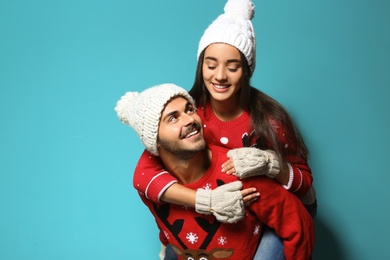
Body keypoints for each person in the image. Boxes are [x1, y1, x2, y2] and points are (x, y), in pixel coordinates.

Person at [132, 0, 317, 259]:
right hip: (222, 211)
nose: (220, 76)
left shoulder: (269, 120)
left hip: (278, 209)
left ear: (246, 70)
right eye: (211, 65)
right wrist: (205, 202)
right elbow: (145, 172)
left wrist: (270, 164)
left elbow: (306, 185)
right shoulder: (190, 113)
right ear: (201, 66)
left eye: (232, 67)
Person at [115, 83, 314, 259]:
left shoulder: (237, 173)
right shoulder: (153, 188)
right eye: (173, 118)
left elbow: (298, 223)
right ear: (154, 141)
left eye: (190, 109)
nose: (189, 119)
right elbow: (165, 226)